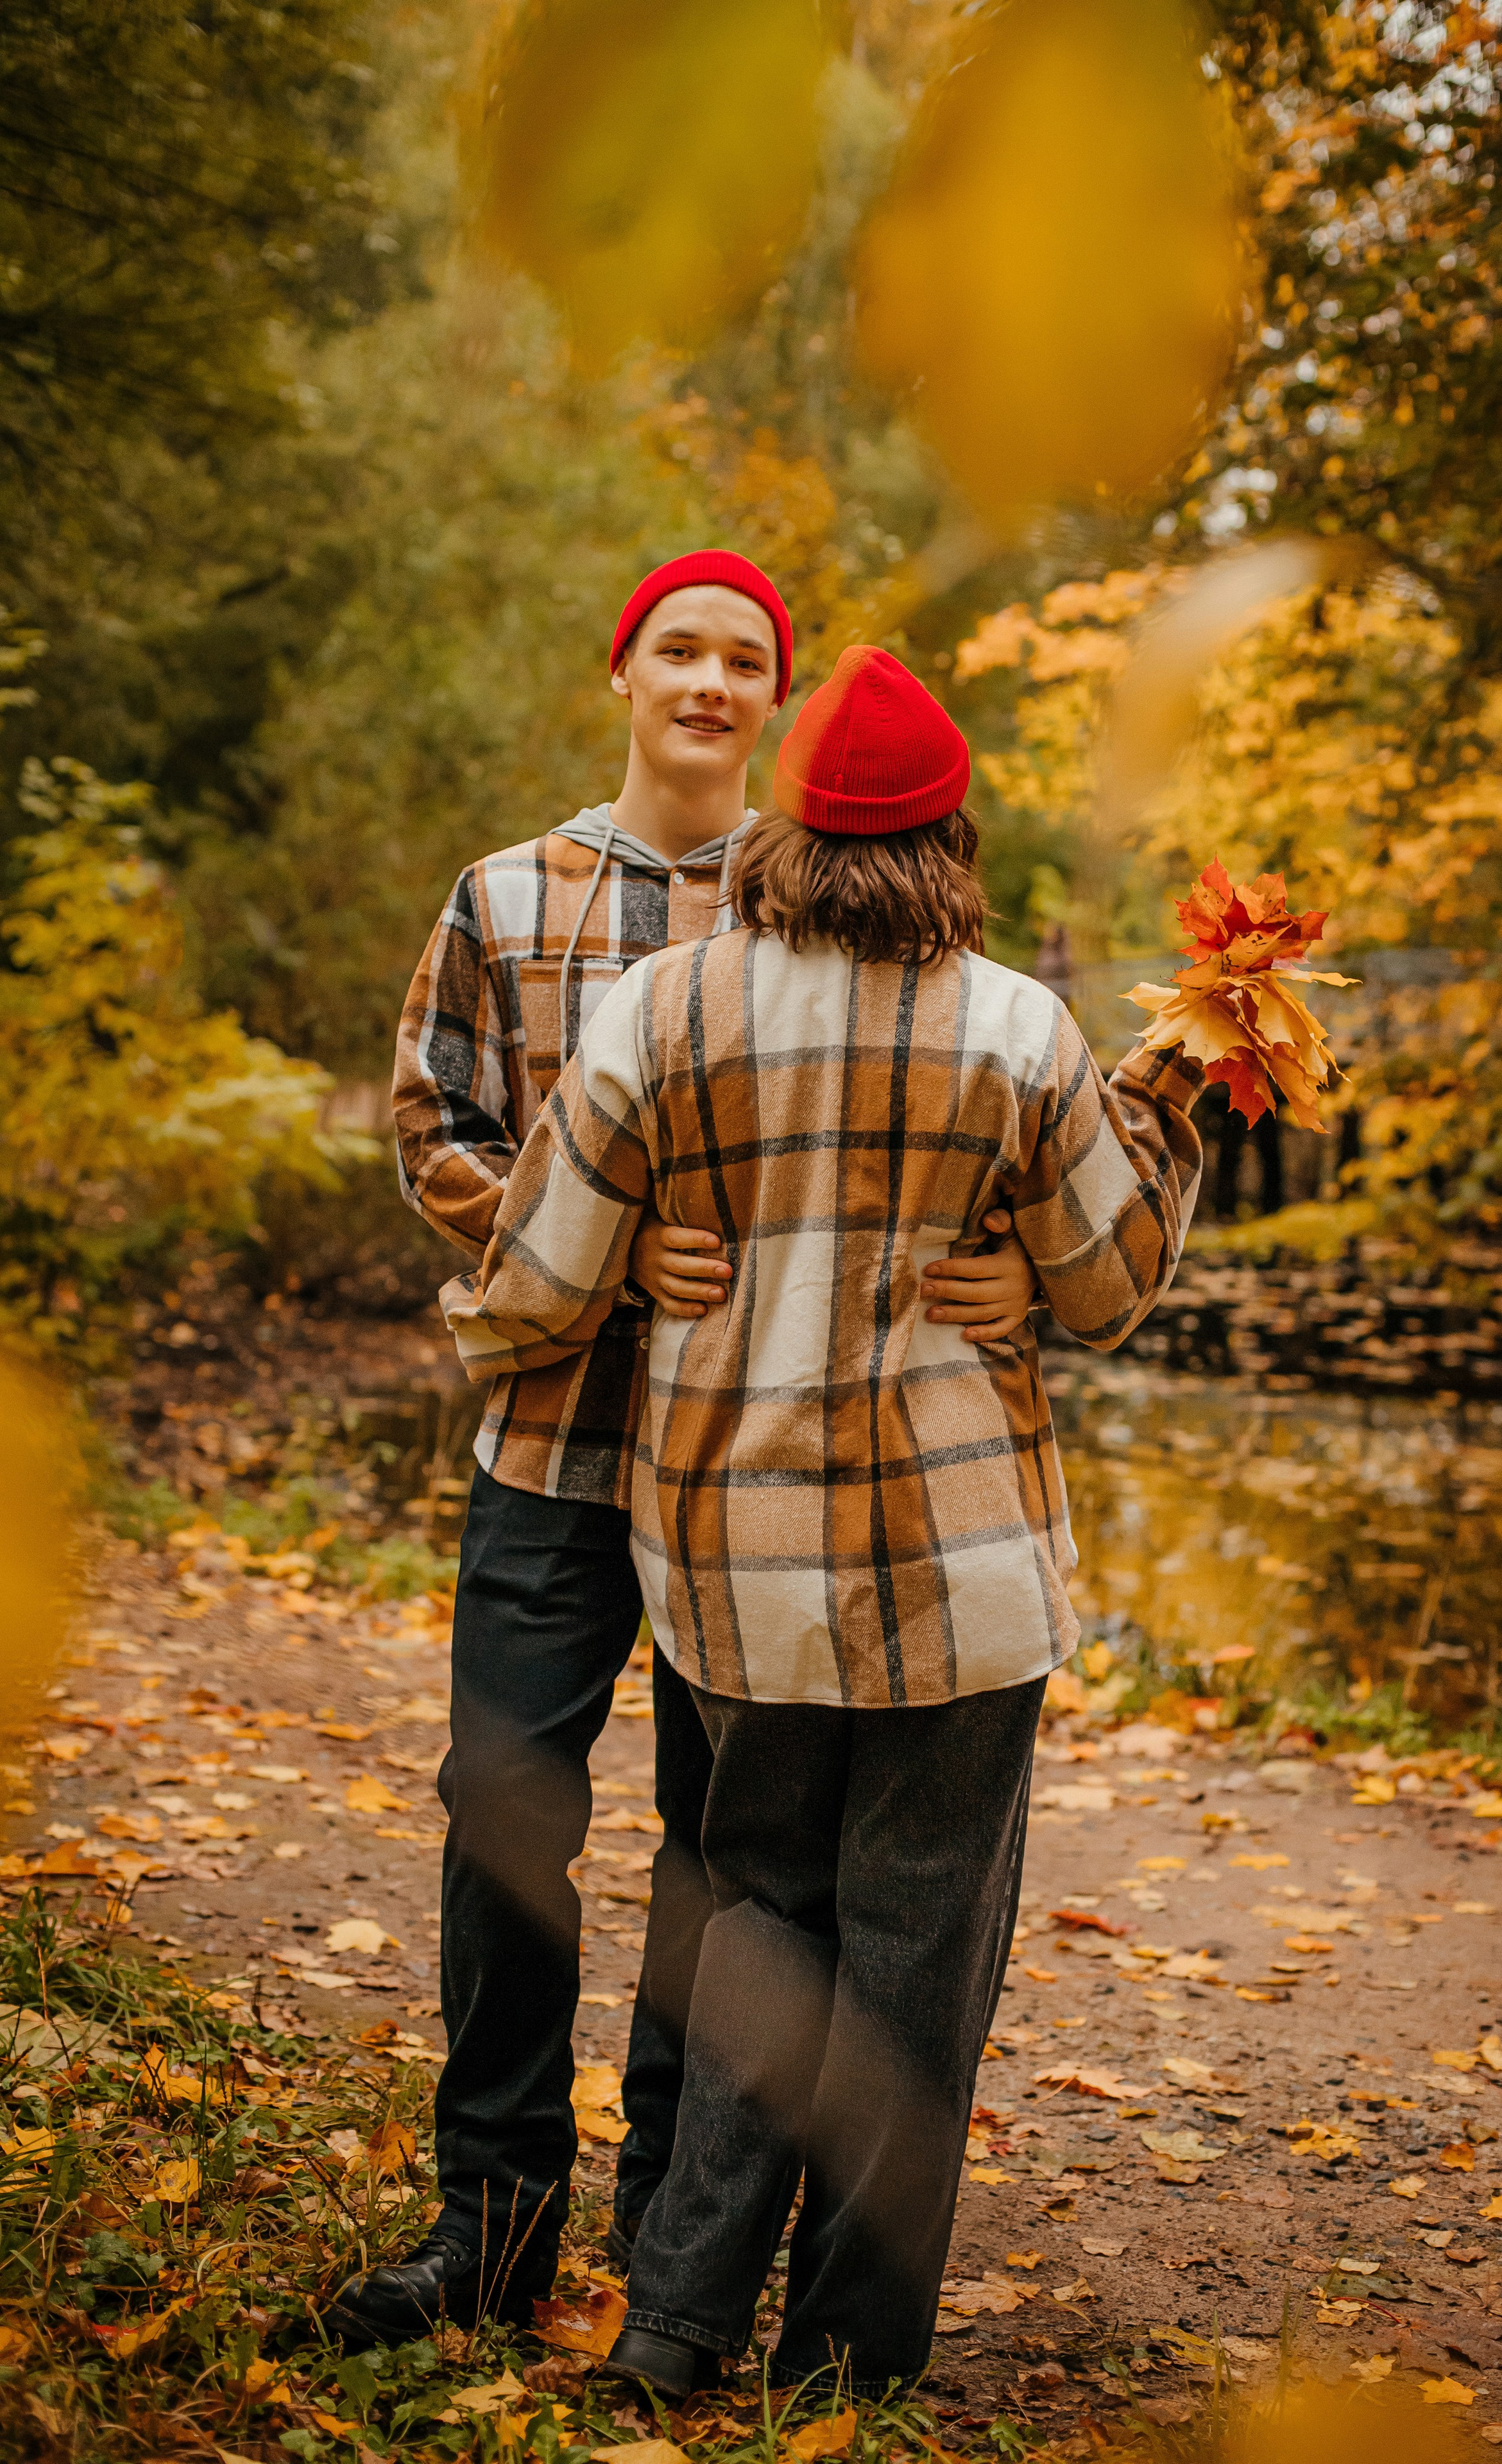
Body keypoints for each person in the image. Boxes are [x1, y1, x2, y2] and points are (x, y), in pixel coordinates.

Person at [441, 644, 1205, 2395]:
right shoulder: (1020, 1023)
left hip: (737, 1574)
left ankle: (679, 2327)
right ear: (952, 831)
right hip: (966, 1580)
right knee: (917, 1958)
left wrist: (614, 1272)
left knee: (755, 1927)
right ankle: (848, 2363)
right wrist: (1163, 1122)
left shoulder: (668, 1010)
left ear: (789, 823)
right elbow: (1105, 1289)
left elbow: (533, 1289)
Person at [325, 566, 1041, 2347]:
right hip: (562, 1451)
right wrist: (588, 1246)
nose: (711, 682)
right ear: (624, 674)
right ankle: (487, 2230)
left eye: (748, 662)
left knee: (720, 1864)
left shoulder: (836, 894)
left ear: (780, 709)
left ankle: (669, 2229)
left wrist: (1016, 1264)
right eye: (683, 651)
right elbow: (432, 1119)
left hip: (765, 1495)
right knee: (504, 1817)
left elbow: (992, 1140)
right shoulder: (510, 896)